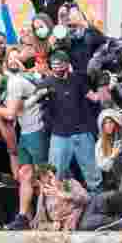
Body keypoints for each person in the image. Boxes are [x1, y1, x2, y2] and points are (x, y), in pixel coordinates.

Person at [0, 46, 47, 230]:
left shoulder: (30, 79)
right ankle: (23, 216)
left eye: (16, 58)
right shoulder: (12, 83)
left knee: (44, 175)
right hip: (25, 133)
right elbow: (19, 108)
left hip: (37, 130)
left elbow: (12, 113)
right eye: (9, 59)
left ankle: (45, 215)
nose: (13, 61)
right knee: (24, 174)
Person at [40, 50, 102, 194]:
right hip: (59, 134)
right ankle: (55, 205)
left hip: (82, 132)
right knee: (55, 174)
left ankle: (98, 204)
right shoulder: (45, 83)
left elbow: (94, 98)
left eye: (60, 65)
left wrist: (106, 87)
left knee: (92, 172)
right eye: (54, 65)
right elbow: (33, 104)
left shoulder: (77, 79)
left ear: (67, 65)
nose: (57, 68)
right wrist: (40, 96)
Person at [32, 163, 89, 231]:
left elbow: (86, 198)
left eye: (51, 177)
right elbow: (37, 223)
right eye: (44, 181)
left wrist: (64, 195)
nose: (49, 182)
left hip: (81, 217)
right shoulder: (43, 197)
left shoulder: (69, 183)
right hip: (66, 226)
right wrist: (51, 225)